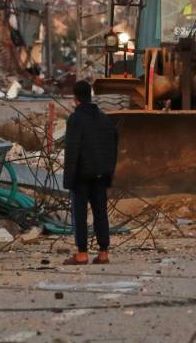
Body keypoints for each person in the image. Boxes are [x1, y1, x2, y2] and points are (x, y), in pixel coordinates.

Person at [63, 80, 118, 265]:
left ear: (75, 97)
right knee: (100, 213)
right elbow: (113, 148)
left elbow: (72, 151)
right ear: (90, 95)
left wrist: (68, 180)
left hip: (81, 176)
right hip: (101, 175)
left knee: (79, 214)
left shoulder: (75, 119)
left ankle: (82, 253)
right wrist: (108, 174)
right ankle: (103, 253)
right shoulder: (105, 119)